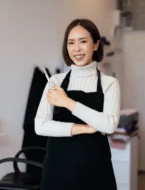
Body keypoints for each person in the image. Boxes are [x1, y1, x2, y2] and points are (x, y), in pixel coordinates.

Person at [34, 18, 120, 190]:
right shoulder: (54, 81)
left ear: (95, 45)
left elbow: (109, 125)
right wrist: (86, 128)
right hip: (58, 170)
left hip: (96, 170)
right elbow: (40, 126)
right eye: (71, 43)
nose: (77, 48)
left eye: (83, 41)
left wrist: (66, 102)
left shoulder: (109, 83)